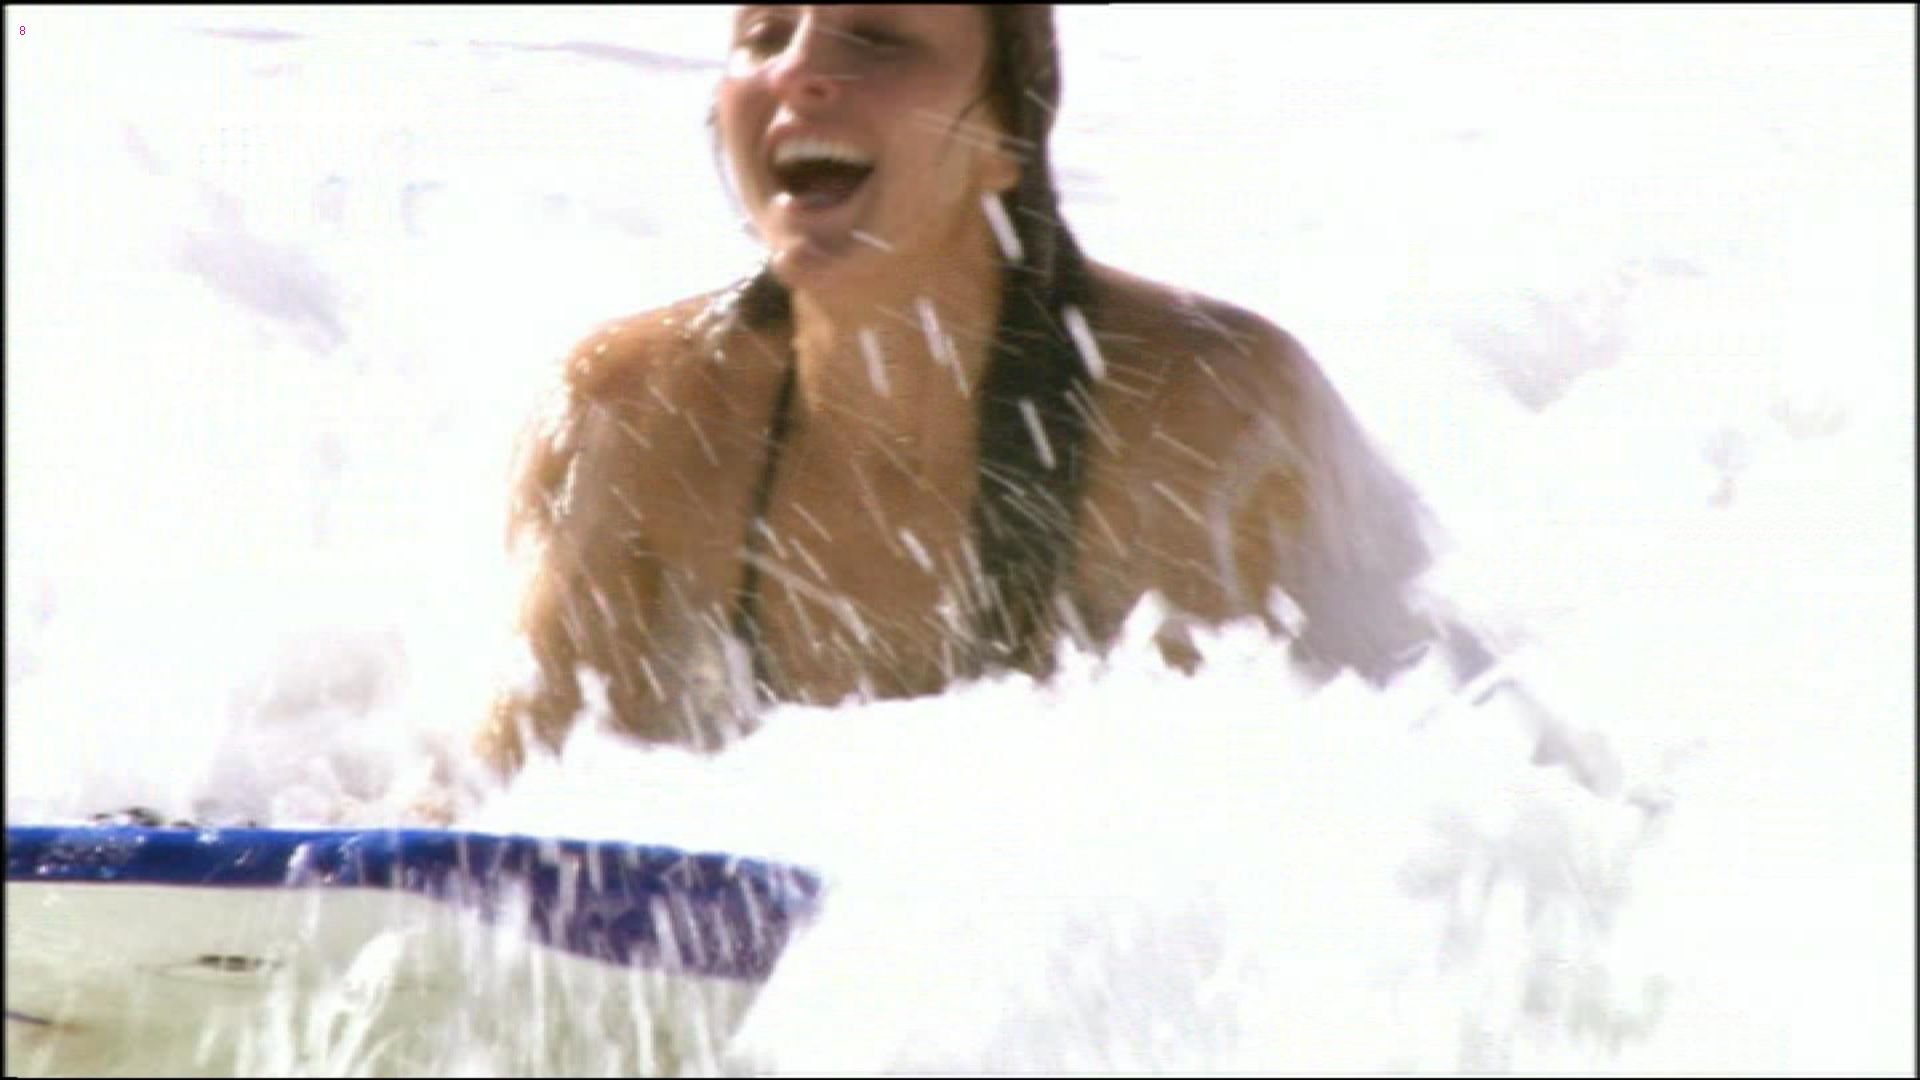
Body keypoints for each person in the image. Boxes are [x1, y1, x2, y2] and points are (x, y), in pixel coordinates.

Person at [472, 5, 1438, 778]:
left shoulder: (1194, 405)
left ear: (1005, 134)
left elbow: (1240, 841)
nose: (797, 73)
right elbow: (505, 813)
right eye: (765, 34)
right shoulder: (636, 413)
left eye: (879, 40)